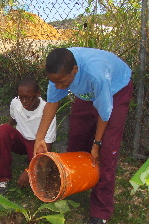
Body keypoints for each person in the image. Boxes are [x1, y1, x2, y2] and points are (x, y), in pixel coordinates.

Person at [34, 47, 133, 224]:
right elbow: (52, 103)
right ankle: (75, 186)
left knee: (106, 151)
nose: (58, 86)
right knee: (77, 138)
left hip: (115, 90)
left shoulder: (96, 74)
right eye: (54, 82)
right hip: (87, 91)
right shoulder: (59, 72)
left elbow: (105, 113)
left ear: (75, 70)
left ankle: (100, 212)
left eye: (62, 82)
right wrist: (39, 138)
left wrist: (97, 144)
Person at [0, 77, 57, 195]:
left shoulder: (47, 112)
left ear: (38, 94)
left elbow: (46, 149)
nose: (24, 101)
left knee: (42, 171)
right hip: (21, 140)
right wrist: (4, 133)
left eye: (28, 97)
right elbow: (12, 119)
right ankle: (3, 178)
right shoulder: (15, 103)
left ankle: (33, 170)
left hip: (37, 146)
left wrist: (29, 171)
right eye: (21, 97)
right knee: (2, 130)